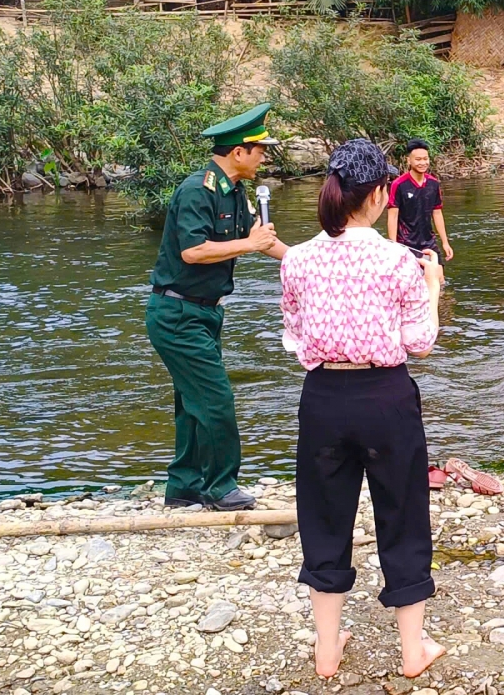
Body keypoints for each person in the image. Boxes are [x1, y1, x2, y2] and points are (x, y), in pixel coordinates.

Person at [279, 138, 446, 680]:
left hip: (323, 397)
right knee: (402, 513)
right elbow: (419, 341)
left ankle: (327, 651)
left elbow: (294, 337)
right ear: (378, 195)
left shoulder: (297, 260)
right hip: (386, 397)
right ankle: (412, 651)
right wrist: (434, 287)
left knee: (324, 517)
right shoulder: (398, 260)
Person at [146, 102, 286, 511]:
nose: (264, 156)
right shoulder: (196, 190)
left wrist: (306, 259)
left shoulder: (234, 190)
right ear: (238, 152)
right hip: (177, 313)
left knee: (192, 403)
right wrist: (250, 244)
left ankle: (185, 487)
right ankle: (222, 487)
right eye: (259, 150)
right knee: (216, 399)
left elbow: (259, 238)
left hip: (205, 312)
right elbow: (193, 251)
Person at [387, 139, 453, 261]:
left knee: (439, 279)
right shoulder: (399, 184)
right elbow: (393, 216)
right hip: (405, 243)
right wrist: (393, 245)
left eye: (425, 159)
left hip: (429, 242)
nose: (423, 162)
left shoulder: (433, 184)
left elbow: (437, 213)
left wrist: (445, 242)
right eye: (418, 159)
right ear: (409, 160)